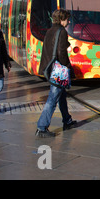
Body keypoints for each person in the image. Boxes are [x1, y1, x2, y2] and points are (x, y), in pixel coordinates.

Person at [36, 9, 76, 138]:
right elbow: (61, 52)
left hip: (51, 67)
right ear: (61, 19)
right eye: (67, 19)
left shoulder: (50, 30)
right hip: (58, 70)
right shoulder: (62, 31)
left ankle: (67, 121)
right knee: (52, 99)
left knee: (61, 95)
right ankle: (42, 128)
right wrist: (67, 66)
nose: (68, 22)